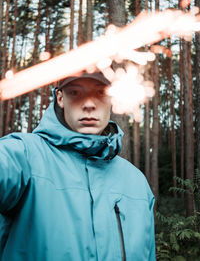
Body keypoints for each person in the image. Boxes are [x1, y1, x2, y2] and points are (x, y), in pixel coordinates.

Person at [0, 70, 155, 261]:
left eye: (100, 93)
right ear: (60, 98)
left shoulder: (136, 182)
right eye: (75, 92)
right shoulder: (24, 154)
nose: (89, 104)